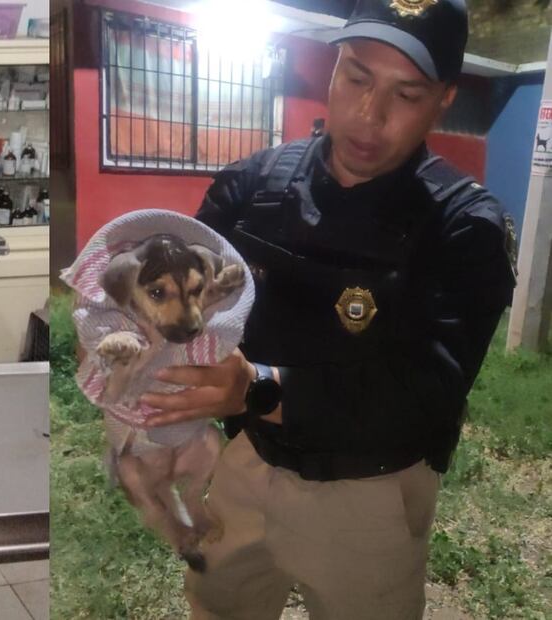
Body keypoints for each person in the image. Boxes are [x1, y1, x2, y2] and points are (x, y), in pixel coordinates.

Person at [138, 1, 518, 618]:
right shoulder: (251, 185)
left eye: (407, 93)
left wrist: (255, 388)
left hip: (368, 497)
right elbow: (170, 296)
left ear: (445, 98)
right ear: (333, 68)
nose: (370, 116)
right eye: (357, 77)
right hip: (246, 466)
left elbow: (428, 391)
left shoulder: (463, 226)